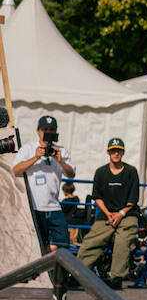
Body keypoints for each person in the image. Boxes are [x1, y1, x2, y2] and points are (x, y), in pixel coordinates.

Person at [76, 139, 140, 290]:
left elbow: (133, 198)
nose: (116, 153)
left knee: (122, 241)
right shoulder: (101, 172)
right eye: (113, 151)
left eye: (119, 150)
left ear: (123, 152)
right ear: (108, 152)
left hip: (127, 214)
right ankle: (77, 274)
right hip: (106, 214)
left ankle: (116, 278)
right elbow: (97, 197)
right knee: (91, 241)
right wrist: (108, 214)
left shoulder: (131, 171)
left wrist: (120, 214)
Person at [13, 115, 76, 252]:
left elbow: (71, 174)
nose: (48, 132)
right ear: (38, 131)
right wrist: (36, 157)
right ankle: (42, 259)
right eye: (45, 129)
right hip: (34, 207)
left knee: (61, 244)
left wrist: (60, 161)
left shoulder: (61, 150)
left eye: (51, 130)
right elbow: (15, 170)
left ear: (56, 132)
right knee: (34, 244)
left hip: (54, 206)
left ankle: (45, 257)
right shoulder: (29, 148)